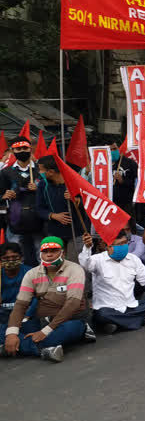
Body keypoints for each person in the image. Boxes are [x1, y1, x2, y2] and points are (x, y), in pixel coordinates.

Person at [3, 237, 89, 362]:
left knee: (66, 331)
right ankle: (47, 349)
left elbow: (73, 304)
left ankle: (19, 348)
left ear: (62, 253)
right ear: (41, 253)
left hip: (69, 321)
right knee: (5, 331)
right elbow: (20, 305)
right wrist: (11, 334)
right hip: (41, 322)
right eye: (45, 251)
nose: (49, 254)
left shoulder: (75, 269)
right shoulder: (31, 274)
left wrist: (45, 331)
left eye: (53, 250)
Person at [80, 230, 145, 333]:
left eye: (125, 243)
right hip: (107, 308)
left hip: (130, 305)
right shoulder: (98, 260)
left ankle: (116, 324)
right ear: (108, 246)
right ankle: (144, 320)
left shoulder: (133, 259)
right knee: (102, 315)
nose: (123, 246)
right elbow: (85, 264)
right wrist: (87, 248)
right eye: (119, 244)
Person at [35, 155, 89, 261]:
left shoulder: (74, 182)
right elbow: (39, 209)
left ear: (51, 172)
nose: (39, 172)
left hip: (76, 232)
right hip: (54, 233)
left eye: (41, 169)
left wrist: (76, 201)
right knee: (57, 264)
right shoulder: (42, 185)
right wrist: (53, 216)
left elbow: (89, 204)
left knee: (75, 264)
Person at [0, 136, 43, 266]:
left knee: (41, 252)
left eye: (25, 148)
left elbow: (50, 191)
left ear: (30, 149)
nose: (22, 151)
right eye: (18, 149)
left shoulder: (41, 170)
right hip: (15, 218)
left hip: (38, 218)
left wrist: (39, 188)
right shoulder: (5, 172)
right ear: (13, 151)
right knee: (15, 253)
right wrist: (3, 195)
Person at [0, 243, 36, 336]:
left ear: (21, 257)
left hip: (25, 316)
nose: (11, 260)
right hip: (3, 317)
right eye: (6, 258)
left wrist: (28, 315)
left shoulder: (30, 272)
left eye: (14, 257)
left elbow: (38, 297)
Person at [109, 141, 138, 216]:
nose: (112, 151)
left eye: (114, 149)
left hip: (126, 203)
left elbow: (137, 182)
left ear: (119, 149)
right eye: (110, 150)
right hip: (110, 203)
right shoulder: (104, 164)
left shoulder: (130, 163)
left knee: (128, 225)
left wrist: (123, 181)